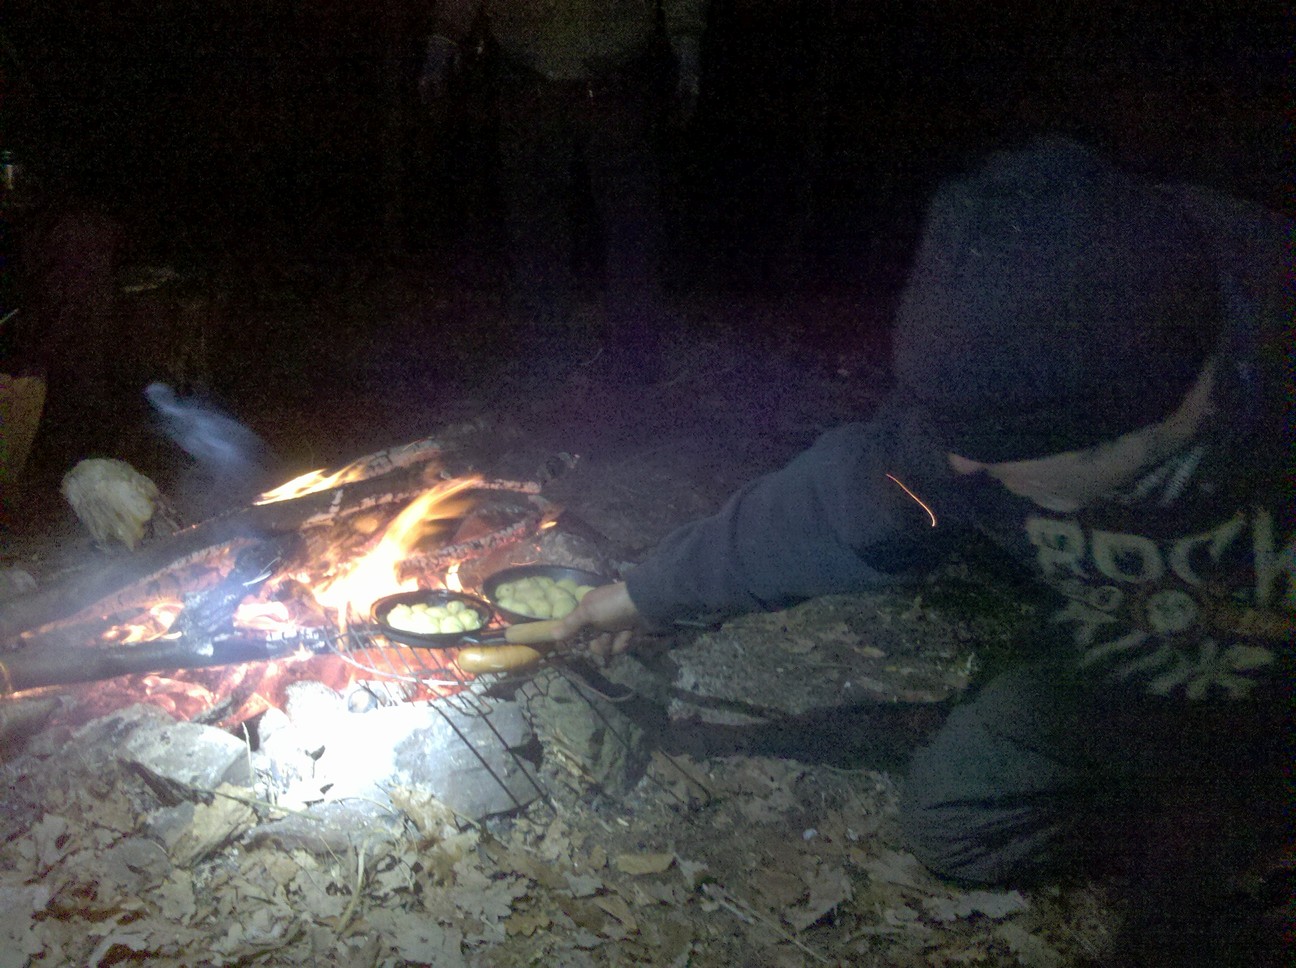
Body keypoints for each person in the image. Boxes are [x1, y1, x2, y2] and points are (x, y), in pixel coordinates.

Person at [540, 138, 1292, 965]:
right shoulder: (1011, 380)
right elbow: (840, 507)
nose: (958, 469)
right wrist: (644, 595)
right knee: (953, 821)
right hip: (1128, 648)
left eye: (998, 456)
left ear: (1144, 420)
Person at [419, 0, 709, 383]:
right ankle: (547, 349)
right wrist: (443, 39)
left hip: (617, 73)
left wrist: (686, 47)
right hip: (527, 74)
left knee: (631, 220)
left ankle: (634, 352)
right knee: (534, 222)